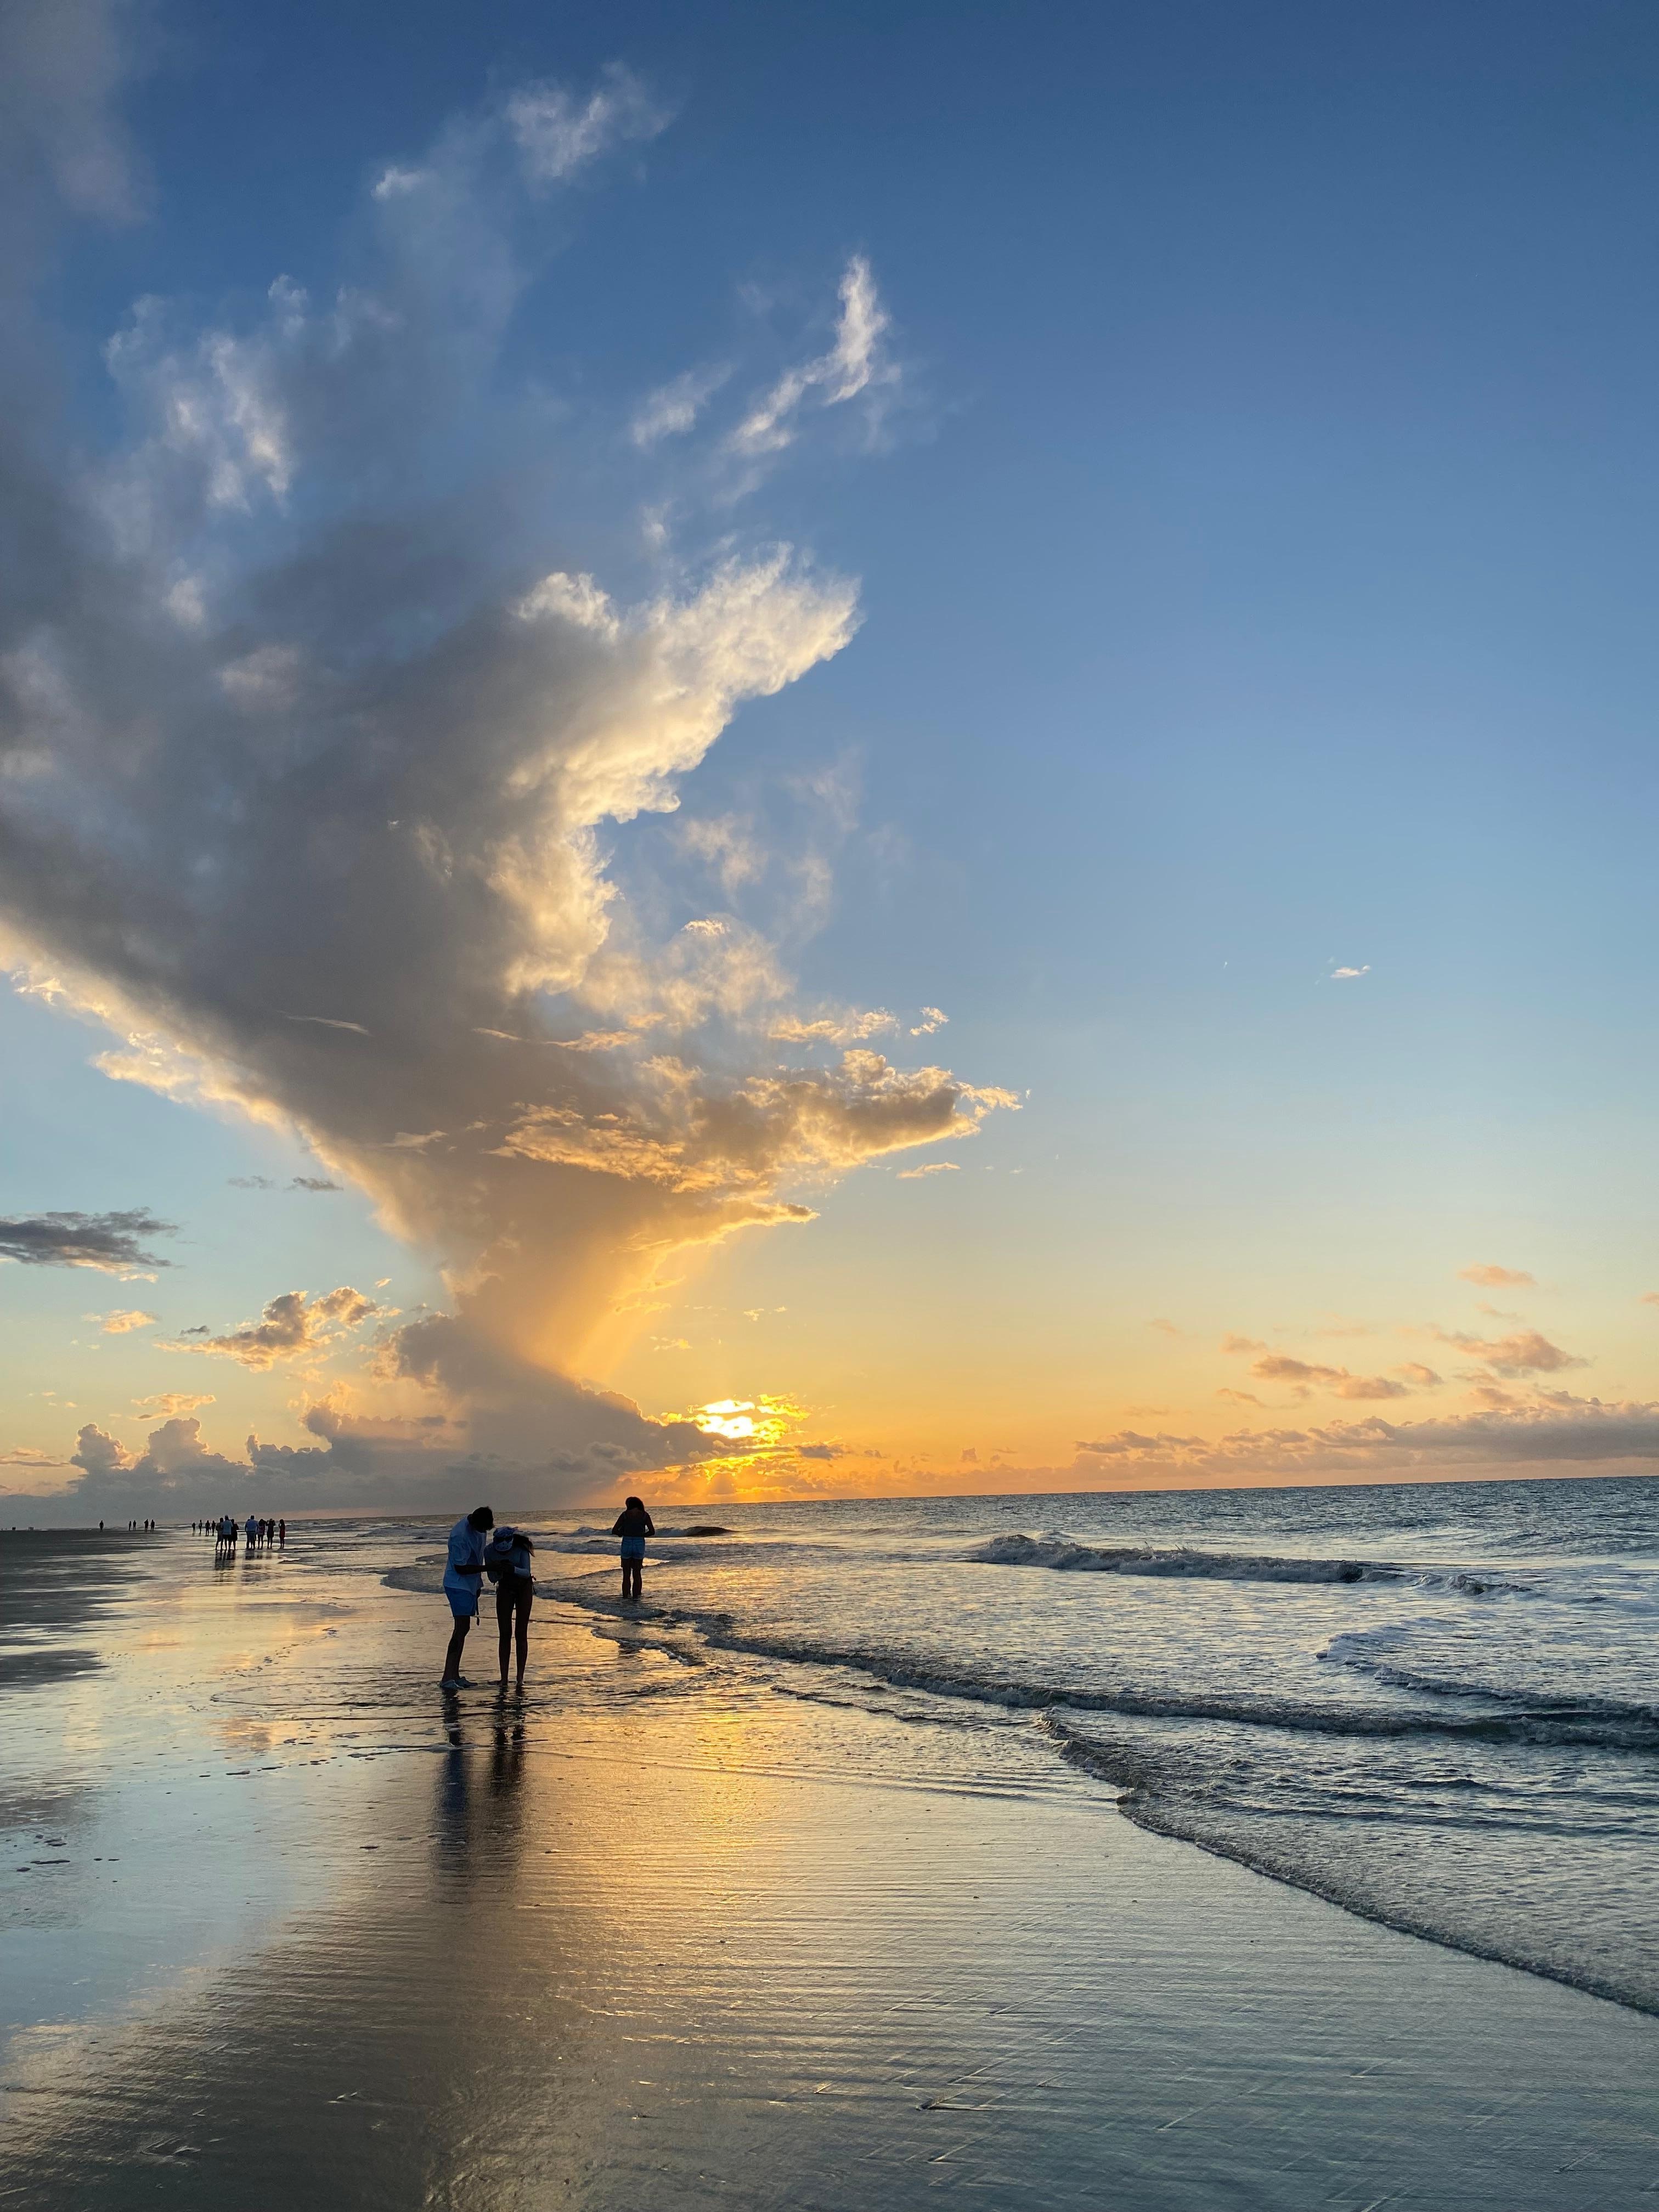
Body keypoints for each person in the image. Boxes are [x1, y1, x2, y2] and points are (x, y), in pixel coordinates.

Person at [441, 1505, 495, 1689]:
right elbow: (461, 1568)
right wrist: (489, 1569)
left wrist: (478, 1585)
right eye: (483, 1528)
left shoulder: (480, 1531)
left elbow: (477, 1557)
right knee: (461, 1628)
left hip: (469, 1585)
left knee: (464, 1629)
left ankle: (454, 1675)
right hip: (457, 1584)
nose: (484, 1532)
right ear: (475, 1522)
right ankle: (447, 1677)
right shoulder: (460, 1535)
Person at [485, 1526, 536, 1690]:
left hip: (524, 1588)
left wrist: (511, 1569)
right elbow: (492, 1578)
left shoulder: (522, 1548)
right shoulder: (489, 1551)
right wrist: (499, 1570)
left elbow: (526, 1572)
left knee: (521, 1632)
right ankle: (504, 1678)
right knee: (505, 1633)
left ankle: (520, 1678)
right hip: (505, 1587)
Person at [612, 1495, 654, 1601]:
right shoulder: (645, 1515)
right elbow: (652, 1532)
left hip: (627, 1542)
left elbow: (615, 1530)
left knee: (626, 1574)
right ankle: (636, 1598)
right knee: (637, 1573)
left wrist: (623, 1533)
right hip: (639, 1543)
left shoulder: (625, 1515)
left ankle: (626, 1598)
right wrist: (642, 1535)